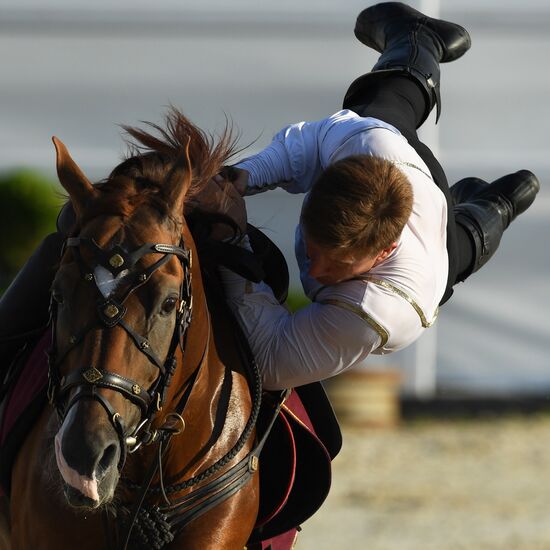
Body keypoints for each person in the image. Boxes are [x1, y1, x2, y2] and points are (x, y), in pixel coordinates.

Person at [217, 2, 540, 390]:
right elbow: (304, 143)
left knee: (460, 248)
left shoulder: (380, 306)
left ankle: (498, 203)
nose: (315, 272)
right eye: (315, 250)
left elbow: (269, 362)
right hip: (395, 158)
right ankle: (418, 37)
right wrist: (240, 178)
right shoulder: (363, 141)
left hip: (420, 263)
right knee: (380, 108)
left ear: (383, 251)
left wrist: (231, 243)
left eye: (334, 263)